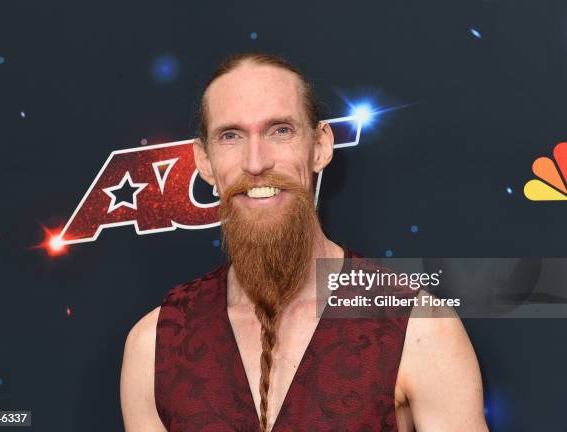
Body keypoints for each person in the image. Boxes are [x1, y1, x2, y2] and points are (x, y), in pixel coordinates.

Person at [120, 52, 488, 432]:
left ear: (320, 146)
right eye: (231, 136)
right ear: (204, 161)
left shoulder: (420, 328)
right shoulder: (154, 346)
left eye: (280, 130)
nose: (256, 161)